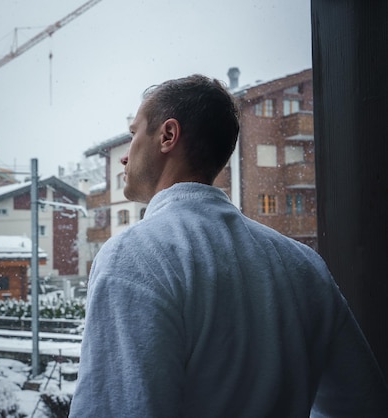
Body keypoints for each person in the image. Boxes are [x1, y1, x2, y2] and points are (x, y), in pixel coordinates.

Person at [69, 75, 388, 417]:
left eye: (133, 134)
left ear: (167, 136)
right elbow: (363, 404)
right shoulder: (303, 264)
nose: (123, 157)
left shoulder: (134, 257)